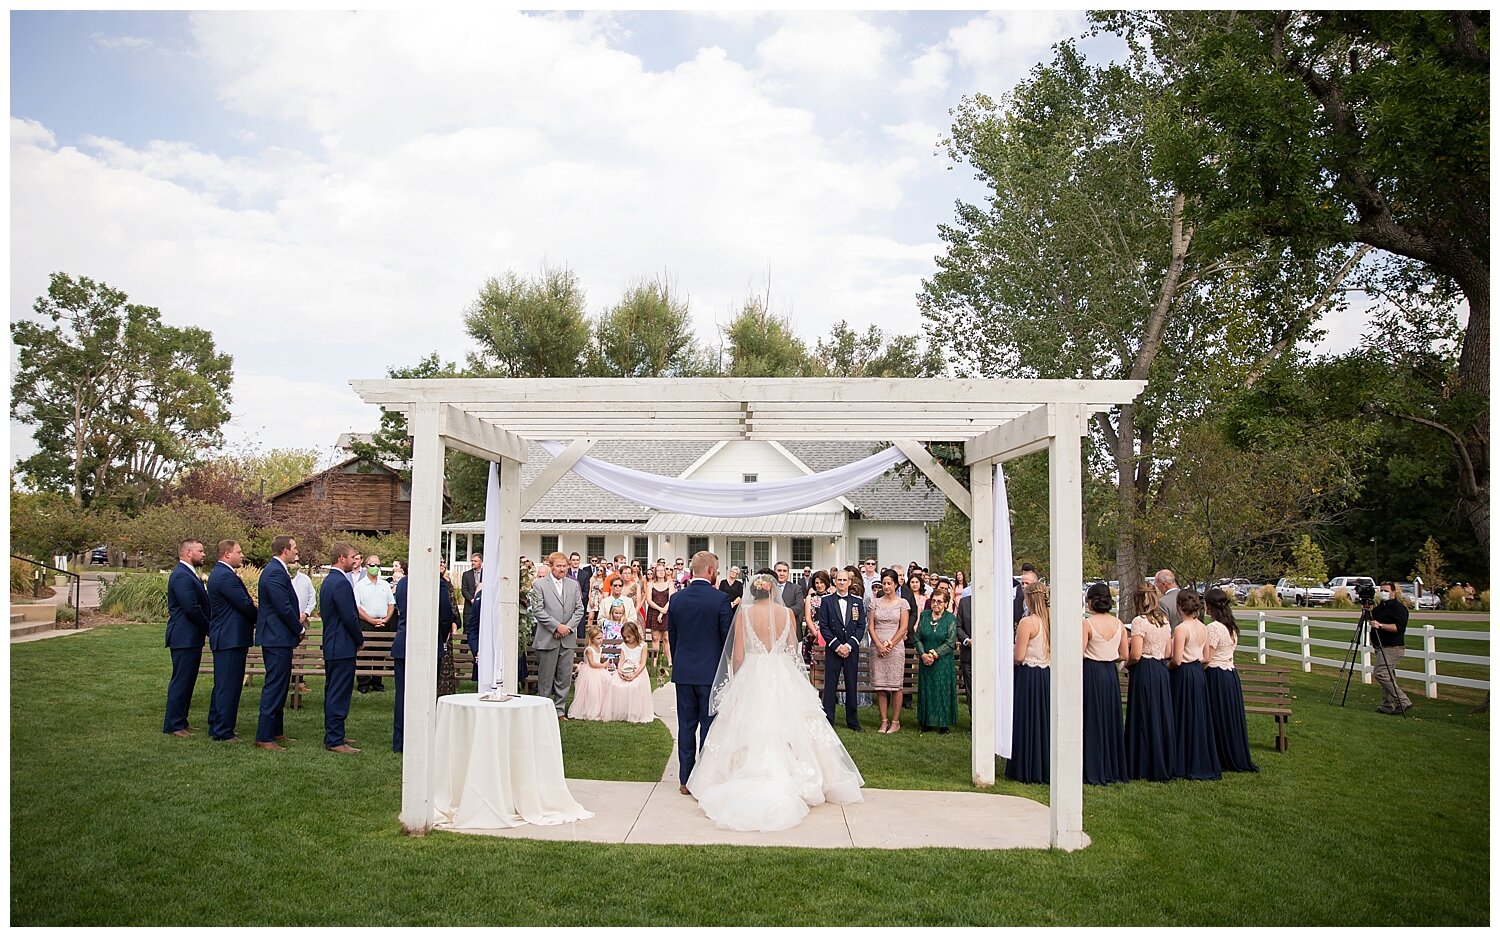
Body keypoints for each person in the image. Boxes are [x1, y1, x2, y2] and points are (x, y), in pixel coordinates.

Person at [686, 573, 863, 831]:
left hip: (754, 670)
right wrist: (796, 679)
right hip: (782, 671)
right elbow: (793, 651)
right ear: (772, 592)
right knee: (793, 724)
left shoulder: (744, 615)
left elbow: (737, 656)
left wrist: (738, 680)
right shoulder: (787, 614)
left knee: (746, 724)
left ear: (753, 592)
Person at [668, 551, 735, 794]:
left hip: (684, 671)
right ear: (710, 571)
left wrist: (680, 661)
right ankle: (703, 779)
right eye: (716, 569)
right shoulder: (720, 600)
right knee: (708, 726)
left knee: (685, 726)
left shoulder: (676, 599)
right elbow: (727, 638)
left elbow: (672, 637)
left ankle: (685, 779)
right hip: (711, 672)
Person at [391, 561, 454, 752]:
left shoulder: (403, 584)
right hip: (427, 643)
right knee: (426, 694)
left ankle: (400, 741)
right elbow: (445, 617)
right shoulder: (438, 584)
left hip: (404, 643)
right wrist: (441, 638)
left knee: (403, 694)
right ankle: (422, 738)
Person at [254, 535, 305, 750]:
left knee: (281, 684)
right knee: (275, 685)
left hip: (280, 637)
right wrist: (299, 628)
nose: (296, 552)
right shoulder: (274, 572)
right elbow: (282, 607)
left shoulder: (278, 570)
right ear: (285, 550)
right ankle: (265, 737)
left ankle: (276, 731)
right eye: (294, 548)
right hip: (276, 638)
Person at [206, 539, 256, 743]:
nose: (242, 555)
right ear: (227, 554)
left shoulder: (221, 574)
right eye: (239, 551)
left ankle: (216, 724)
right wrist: (261, 617)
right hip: (230, 638)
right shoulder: (225, 576)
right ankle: (223, 730)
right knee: (229, 685)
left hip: (228, 637)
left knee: (224, 684)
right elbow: (244, 604)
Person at [1203, 588, 1258, 772]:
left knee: (1216, 714)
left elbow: (1207, 657)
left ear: (1210, 606)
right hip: (1230, 674)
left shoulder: (1214, 628)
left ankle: (1218, 754)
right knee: (1227, 714)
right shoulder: (1231, 627)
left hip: (1215, 674)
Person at [1168, 590, 1221, 781]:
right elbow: (1207, 657)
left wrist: (1167, 668)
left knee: (1182, 714)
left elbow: (1177, 659)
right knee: (1197, 715)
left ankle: (1182, 760)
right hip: (1198, 672)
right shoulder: (1203, 628)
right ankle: (1198, 757)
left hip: (1183, 673)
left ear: (1179, 607)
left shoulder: (1181, 629)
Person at [1125, 584, 1175, 782]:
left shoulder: (1139, 621)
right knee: (1160, 713)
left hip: (1145, 669)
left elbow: (1136, 653)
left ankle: (1142, 762)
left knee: (1144, 714)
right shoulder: (1164, 621)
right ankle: (1162, 758)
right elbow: (1169, 652)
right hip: (1161, 669)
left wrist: (1126, 664)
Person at [1082, 582, 1128, 785]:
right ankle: (1111, 766)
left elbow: (1079, 653)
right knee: (1110, 717)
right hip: (1110, 673)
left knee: (1092, 717)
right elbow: (1124, 654)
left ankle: (1092, 765)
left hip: (1092, 671)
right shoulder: (1119, 624)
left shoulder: (1087, 624)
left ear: (1090, 602)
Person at [319, 542, 364, 754]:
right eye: (352, 557)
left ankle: (334, 733)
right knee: (338, 692)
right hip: (342, 645)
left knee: (333, 690)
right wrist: (359, 638)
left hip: (333, 644)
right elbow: (349, 616)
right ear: (341, 558)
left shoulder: (330, 581)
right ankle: (335, 740)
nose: (355, 561)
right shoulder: (340, 583)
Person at [164, 539, 211, 738]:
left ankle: (181, 720)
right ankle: (174, 724)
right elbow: (191, 607)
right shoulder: (182, 576)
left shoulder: (189, 573)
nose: (203, 554)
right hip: (184, 636)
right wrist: (209, 627)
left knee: (188, 680)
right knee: (182, 680)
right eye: (200, 551)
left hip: (191, 636)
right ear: (188, 552)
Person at [530, 551, 585, 718]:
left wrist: (567, 628)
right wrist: (556, 627)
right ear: (551, 566)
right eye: (559, 566)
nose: (562, 569)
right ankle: (543, 709)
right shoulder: (540, 585)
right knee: (546, 678)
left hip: (567, 638)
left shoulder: (573, 584)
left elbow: (579, 609)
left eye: (564, 566)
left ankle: (560, 710)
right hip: (548, 638)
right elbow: (538, 610)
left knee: (564, 676)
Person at [1005, 582, 1051, 784]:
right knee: (1043, 719)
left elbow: (1019, 656)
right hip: (1046, 674)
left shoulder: (1028, 623)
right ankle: (1044, 763)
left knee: (1026, 719)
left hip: (1028, 675)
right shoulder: (1051, 620)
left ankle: (1025, 766)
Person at [817, 569, 866, 731]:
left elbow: (860, 626)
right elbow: (823, 626)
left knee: (851, 683)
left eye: (845, 580)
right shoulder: (826, 601)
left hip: (851, 649)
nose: (842, 583)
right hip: (834, 648)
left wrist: (849, 645)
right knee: (830, 685)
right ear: (835, 582)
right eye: (839, 580)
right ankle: (828, 719)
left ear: (850, 582)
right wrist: (837, 645)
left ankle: (852, 721)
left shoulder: (858, 602)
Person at [869, 568, 910, 733]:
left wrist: (889, 644)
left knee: (895, 686)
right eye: (884, 583)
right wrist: (879, 644)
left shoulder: (903, 603)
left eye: (889, 583)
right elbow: (870, 626)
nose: (886, 587)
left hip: (895, 647)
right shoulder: (875, 602)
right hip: (877, 646)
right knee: (880, 686)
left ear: (895, 584)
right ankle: (884, 720)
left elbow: (904, 627)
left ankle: (895, 721)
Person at [914, 588, 959, 734]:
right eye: (933, 601)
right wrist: (923, 654)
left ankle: (943, 723)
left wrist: (934, 654)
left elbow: (950, 642)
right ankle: (926, 721)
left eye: (940, 602)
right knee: (927, 690)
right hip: (925, 660)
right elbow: (918, 637)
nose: (936, 604)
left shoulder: (950, 618)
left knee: (942, 690)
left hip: (942, 662)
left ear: (946, 603)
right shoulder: (925, 615)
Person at [1370, 581, 1414, 714]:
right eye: (1381, 590)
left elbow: (1399, 628)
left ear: (1393, 592)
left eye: (1386, 591)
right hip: (1380, 646)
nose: (1383, 593)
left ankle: (1403, 701)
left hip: (1393, 647)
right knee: (1388, 677)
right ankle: (1387, 705)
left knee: (1380, 673)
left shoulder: (1399, 609)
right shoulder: (1379, 609)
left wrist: (1380, 625)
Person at [354, 558, 395, 694]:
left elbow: (391, 603)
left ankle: (377, 681)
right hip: (366, 623)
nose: (375, 567)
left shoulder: (384, 584)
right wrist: (371, 620)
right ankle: (364, 682)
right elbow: (357, 607)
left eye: (378, 565)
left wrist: (386, 618)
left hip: (383, 622)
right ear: (366, 566)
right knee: (365, 653)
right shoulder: (360, 585)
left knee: (380, 653)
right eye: (373, 565)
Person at [607, 621, 655, 723]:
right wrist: (619, 671)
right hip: (625, 668)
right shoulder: (624, 645)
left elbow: (643, 663)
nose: (627, 639)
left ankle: (635, 711)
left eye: (629, 636)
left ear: (635, 634)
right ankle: (621, 711)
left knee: (633, 686)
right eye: (625, 637)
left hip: (637, 670)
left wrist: (635, 674)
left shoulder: (643, 645)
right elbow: (621, 660)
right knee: (614, 684)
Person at [568, 625, 614, 721]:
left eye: (601, 638)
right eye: (598, 638)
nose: (600, 640)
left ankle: (600, 709)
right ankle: (589, 710)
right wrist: (603, 665)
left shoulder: (599, 648)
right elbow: (592, 664)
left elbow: (597, 661)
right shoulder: (589, 649)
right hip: (589, 672)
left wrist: (604, 665)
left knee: (602, 691)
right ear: (592, 639)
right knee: (592, 692)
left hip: (598, 671)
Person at [645, 563, 672, 675]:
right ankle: (654, 662)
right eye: (658, 570)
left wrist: (663, 611)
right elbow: (649, 600)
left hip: (666, 611)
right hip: (654, 612)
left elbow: (671, 598)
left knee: (666, 638)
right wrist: (660, 610)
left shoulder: (670, 583)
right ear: (655, 572)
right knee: (655, 638)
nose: (661, 572)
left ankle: (670, 661)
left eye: (663, 570)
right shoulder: (650, 584)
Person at [801, 569, 832, 665]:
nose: (819, 585)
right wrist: (815, 632)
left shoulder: (832, 597)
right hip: (812, 633)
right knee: (813, 664)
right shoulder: (810, 597)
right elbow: (807, 617)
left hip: (828, 633)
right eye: (817, 583)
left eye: (822, 582)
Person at [461, 553, 483, 684]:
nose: (473, 563)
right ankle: (466, 656)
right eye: (472, 561)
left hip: (481, 605)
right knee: (468, 632)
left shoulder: (486, 573)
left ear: (481, 561)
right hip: (470, 608)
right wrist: (472, 599)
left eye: (475, 561)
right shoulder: (466, 574)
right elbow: (464, 590)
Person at [955, 589, 974, 708]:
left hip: (988, 656)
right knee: (971, 689)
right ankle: (974, 721)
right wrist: (967, 641)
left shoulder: (993, 602)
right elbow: (958, 626)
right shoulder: (964, 602)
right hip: (968, 654)